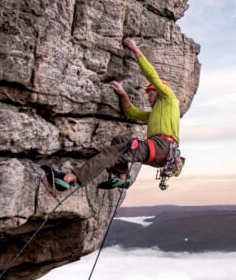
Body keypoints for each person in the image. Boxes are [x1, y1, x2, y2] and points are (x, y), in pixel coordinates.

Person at [43, 37, 183, 192]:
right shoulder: (157, 112)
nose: (148, 98)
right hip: (160, 151)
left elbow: (152, 76)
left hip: (161, 146)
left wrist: (135, 49)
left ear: (158, 91)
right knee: (119, 141)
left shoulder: (169, 97)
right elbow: (132, 112)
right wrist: (123, 94)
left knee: (113, 153)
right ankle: (123, 177)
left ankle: (68, 178)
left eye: (150, 94)